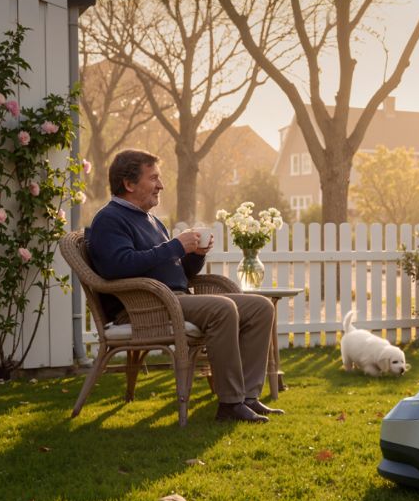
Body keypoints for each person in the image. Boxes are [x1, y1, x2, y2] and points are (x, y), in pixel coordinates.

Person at [87, 148, 281, 424]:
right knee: (223, 309)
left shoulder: (151, 220)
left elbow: (176, 271)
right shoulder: (110, 219)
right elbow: (118, 266)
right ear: (128, 184)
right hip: (142, 308)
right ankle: (230, 404)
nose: (161, 185)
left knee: (260, 307)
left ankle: (248, 397)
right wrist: (175, 246)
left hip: (173, 299)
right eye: (153, 178)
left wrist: (194, 256)